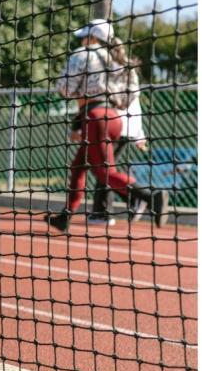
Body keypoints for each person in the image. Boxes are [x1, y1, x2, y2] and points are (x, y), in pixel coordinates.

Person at [45, 19, 169, 232]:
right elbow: (130, 96)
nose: (83, 40)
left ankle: (150, 196)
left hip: (94, 117)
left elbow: (63, 88)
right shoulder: (119, 59)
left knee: (104, 173)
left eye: (85, 36)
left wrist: (82, 93)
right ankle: (65, 217)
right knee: (78, 166)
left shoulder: (82, 54)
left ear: (93, 37)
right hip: (113, 117)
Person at [82, 88, 149, 225]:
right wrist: (139, 134)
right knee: (104, 171)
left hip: (112, 127)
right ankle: (105, 210)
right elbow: (135, 105)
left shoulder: (109, 74)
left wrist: (139, 135)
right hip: (124, 128)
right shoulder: (128, 74)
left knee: (104, 171)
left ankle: (132, 199)